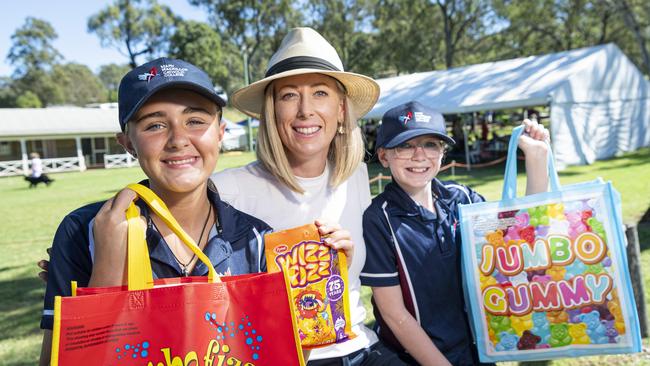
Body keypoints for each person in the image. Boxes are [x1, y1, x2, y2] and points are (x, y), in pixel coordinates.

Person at [38, 57, 353, 365]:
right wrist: (106, 272)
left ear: (220, 132)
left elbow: (281, 356)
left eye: (195, 121)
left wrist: (324, 284)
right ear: (128, 143)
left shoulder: (255, 240)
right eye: (155, 125)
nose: (178, 139)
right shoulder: (85, 231)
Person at [212, 27, 404, 365]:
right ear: (272, 112)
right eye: (288, 95)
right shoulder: (229, 189)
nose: (305, 110)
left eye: (320, 93)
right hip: (280, 356)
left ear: (342, 109)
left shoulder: (356, 176)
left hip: (359, 347)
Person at [360, 101, 550, 366]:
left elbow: (520, 241)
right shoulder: (378, 218)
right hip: (413, 358)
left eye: (430, 144)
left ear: (442, 153)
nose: (419, 155)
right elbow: (394, 314)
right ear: (383, 156)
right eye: (405, 145)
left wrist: (537, 158)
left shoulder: (462, 198)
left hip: (475, 350)